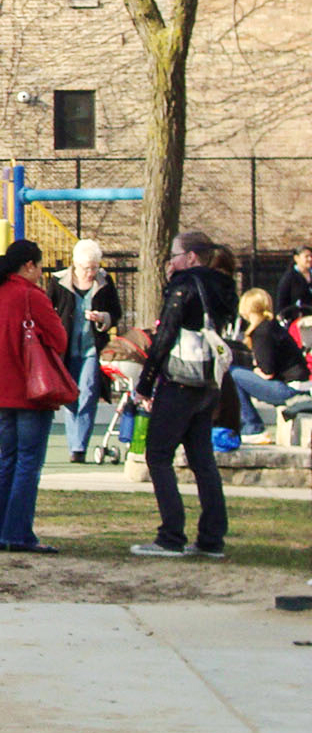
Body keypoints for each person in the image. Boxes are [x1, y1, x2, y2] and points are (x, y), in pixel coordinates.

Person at [130, 231, 235, 559]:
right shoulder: (222, 285)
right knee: (203, 460)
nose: (170, 262)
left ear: (191, 257)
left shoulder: (184, 286)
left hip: (179, 382)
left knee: (158, 455)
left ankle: (171, 535)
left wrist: (145, 383)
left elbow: (165, 336)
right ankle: (211, 537)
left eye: (175, 255)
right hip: (208, 382)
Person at [0, 240, 67, 555]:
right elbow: (59, 339)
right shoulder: (32, 297)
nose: (41, 273)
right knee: (28, 462)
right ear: (28, 265)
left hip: (1, 390)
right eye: (40, 266)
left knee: (7, 460)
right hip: (31, 391)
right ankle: (18, 533)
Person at [46, 239, 122, 463]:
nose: (92, 272)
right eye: (88, 267)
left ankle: (79, 447)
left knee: (88, 392)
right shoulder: (58, 282)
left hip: (92, 348)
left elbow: (115, 312)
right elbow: (47, 311)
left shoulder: (105, 281)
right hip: (66, 348)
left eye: (95, 267)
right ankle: (74, 443)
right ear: (76, 265)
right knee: (70, 396)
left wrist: (103, 318)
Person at [230, 289, 312, 438]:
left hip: (289, 390)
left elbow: (267, 371)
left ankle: (252, 426)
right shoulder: (271, 325)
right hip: (300, 386)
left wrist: (254, 371)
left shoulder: (262, 332)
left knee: (233, 373)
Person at [274, 246, 312, 323]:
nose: (310, 259)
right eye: (306, 256)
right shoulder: (289, 278)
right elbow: (281, 301)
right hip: (298, 321)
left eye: (311, 256)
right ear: (296, 258)